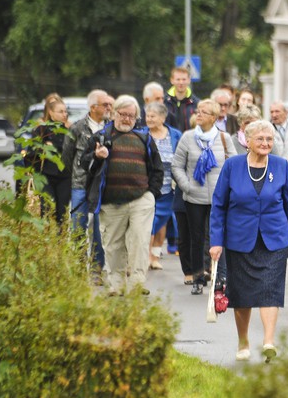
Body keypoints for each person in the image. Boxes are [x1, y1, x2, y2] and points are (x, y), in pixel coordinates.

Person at [209, 120, 288, 362]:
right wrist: (215, 241)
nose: (265, 143)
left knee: (270, 292)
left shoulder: (280, 166)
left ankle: (268, 341)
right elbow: (218, 205)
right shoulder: (233, 166)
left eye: (269, 139)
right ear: (248, 141)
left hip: (274, 240)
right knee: (241, 295)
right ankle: (243, 341)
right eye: (260, 139)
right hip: (239, 240)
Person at [81, 95, 164, 295]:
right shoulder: (101, 137)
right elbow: (84, 164)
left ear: (136, 117)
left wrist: (151, 194)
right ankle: (116, 285)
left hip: (140, 200)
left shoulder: (144, 138)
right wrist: (96, 156)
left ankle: (136, 283)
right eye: (123, 114)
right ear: (114, 114)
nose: (126, 119)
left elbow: (158, 169)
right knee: (113, 245)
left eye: (131, 115)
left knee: (140, 241)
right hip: (111, 202)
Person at [172, 99, 236, 294]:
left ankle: (221, 277)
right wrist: (187, 186)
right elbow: (176, 165)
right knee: (197, 237)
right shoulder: (188, 137)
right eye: (198, 111)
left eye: (204, 112)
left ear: (214, 118)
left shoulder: (224, 138)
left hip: (219, 198)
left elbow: (233, 165)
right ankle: (198, 277)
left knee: (219, 236)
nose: (198, 114)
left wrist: (228, 189)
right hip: (194, 197)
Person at [70, 89, 112, 276]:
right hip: (80, 183)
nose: (109, 108)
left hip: (102, 185)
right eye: (105, 105)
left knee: (99, 228)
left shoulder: (111, 128)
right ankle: (78, 266)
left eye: (110, 104)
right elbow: (67, 156)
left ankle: (97, 268)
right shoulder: (78, 128)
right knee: (78, 224)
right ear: (93, 107)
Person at [26, 96, 74, 225]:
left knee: (61, 212)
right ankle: (45, 238)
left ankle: (60, 239)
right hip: (45, 175)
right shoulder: (41, 130)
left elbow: (71, 150)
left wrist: (53, 147)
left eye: (66, 111)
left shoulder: (70, 131)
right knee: (46, 208)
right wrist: (43, 150)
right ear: (51, 113)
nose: (64, 114)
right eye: (61, 112)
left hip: (65, 176)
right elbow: (31, 152)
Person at [146, 101, 182, 270]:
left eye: (152, 116)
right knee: (149, 222)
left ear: (162, 117)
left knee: (162, 222)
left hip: (169, 187)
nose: (149, 119)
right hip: (148, 187)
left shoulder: (175, 135)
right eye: (147, 116)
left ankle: (155, 256)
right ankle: (145, 257)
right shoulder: (143, 134)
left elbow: (182, 157)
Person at [164, 66, 199, 132]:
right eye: (178, 79)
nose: (181, 83)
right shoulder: (164, 102)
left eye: (184, 79)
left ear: (189, 80)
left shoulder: (196, 103)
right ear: (172, 80)